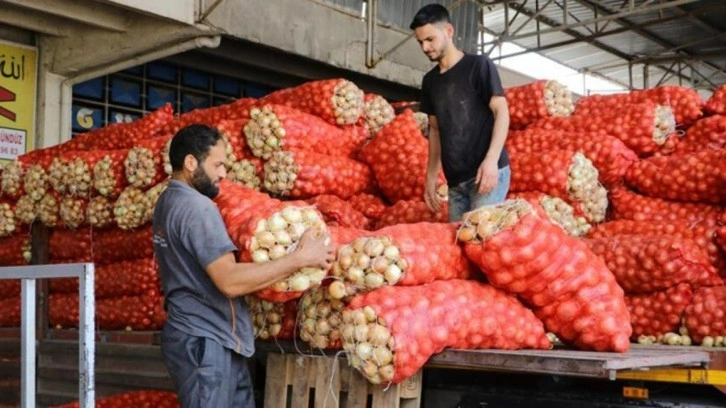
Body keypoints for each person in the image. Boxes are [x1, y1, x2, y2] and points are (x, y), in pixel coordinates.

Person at [152, 124, 334, 408]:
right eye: (218, 164)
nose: (223, 174)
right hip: (205, 341)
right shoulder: (196, 208)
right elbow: (229, 282)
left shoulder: (167, 201)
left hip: (203, 337)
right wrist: (299, 258)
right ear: (190, 163)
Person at [410, 3, 511, 222]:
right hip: (456, 183)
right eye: (420, 42)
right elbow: (435, 130)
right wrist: (430, 177)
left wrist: (492, 161)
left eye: (430, 39)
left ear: (448, 31)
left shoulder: (479, 66)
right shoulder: (430, 81)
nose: (425, 47)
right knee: (460, 247)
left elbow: (501, 111)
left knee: (479, 242)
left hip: (487, 173)